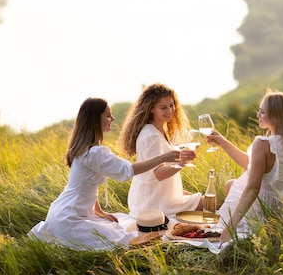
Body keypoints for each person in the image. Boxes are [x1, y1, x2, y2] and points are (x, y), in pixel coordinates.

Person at [29, 97, 195, 250]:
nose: (112, 119)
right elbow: (128, 171)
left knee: (118, 224)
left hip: (63, 211)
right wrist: (163, 157)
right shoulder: (95, 153)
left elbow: (87, 186)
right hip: (70, 218)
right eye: (108, 115)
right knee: (122, 240)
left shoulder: (83, 149)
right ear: (95, 119)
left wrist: (99, 211)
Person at [205, 89, 283, 245]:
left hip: (265, 207)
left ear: (275, 116)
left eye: (262, 112)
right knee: (231, 184)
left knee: (233, 191)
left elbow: (253, 188)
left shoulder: (263, 143)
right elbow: (253, 165)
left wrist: (230, 226)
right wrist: (223, 142)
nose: (257, 116)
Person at [118, 83, 203, 218]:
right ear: (151, 108)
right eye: (163, 107)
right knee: (209, 202)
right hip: (154, 203)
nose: (170, 111)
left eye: (171, 105)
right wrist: (182, 163)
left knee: (193, 196)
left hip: (155, 196)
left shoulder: (158, 129)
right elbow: (159, 174)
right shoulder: (151, 135)